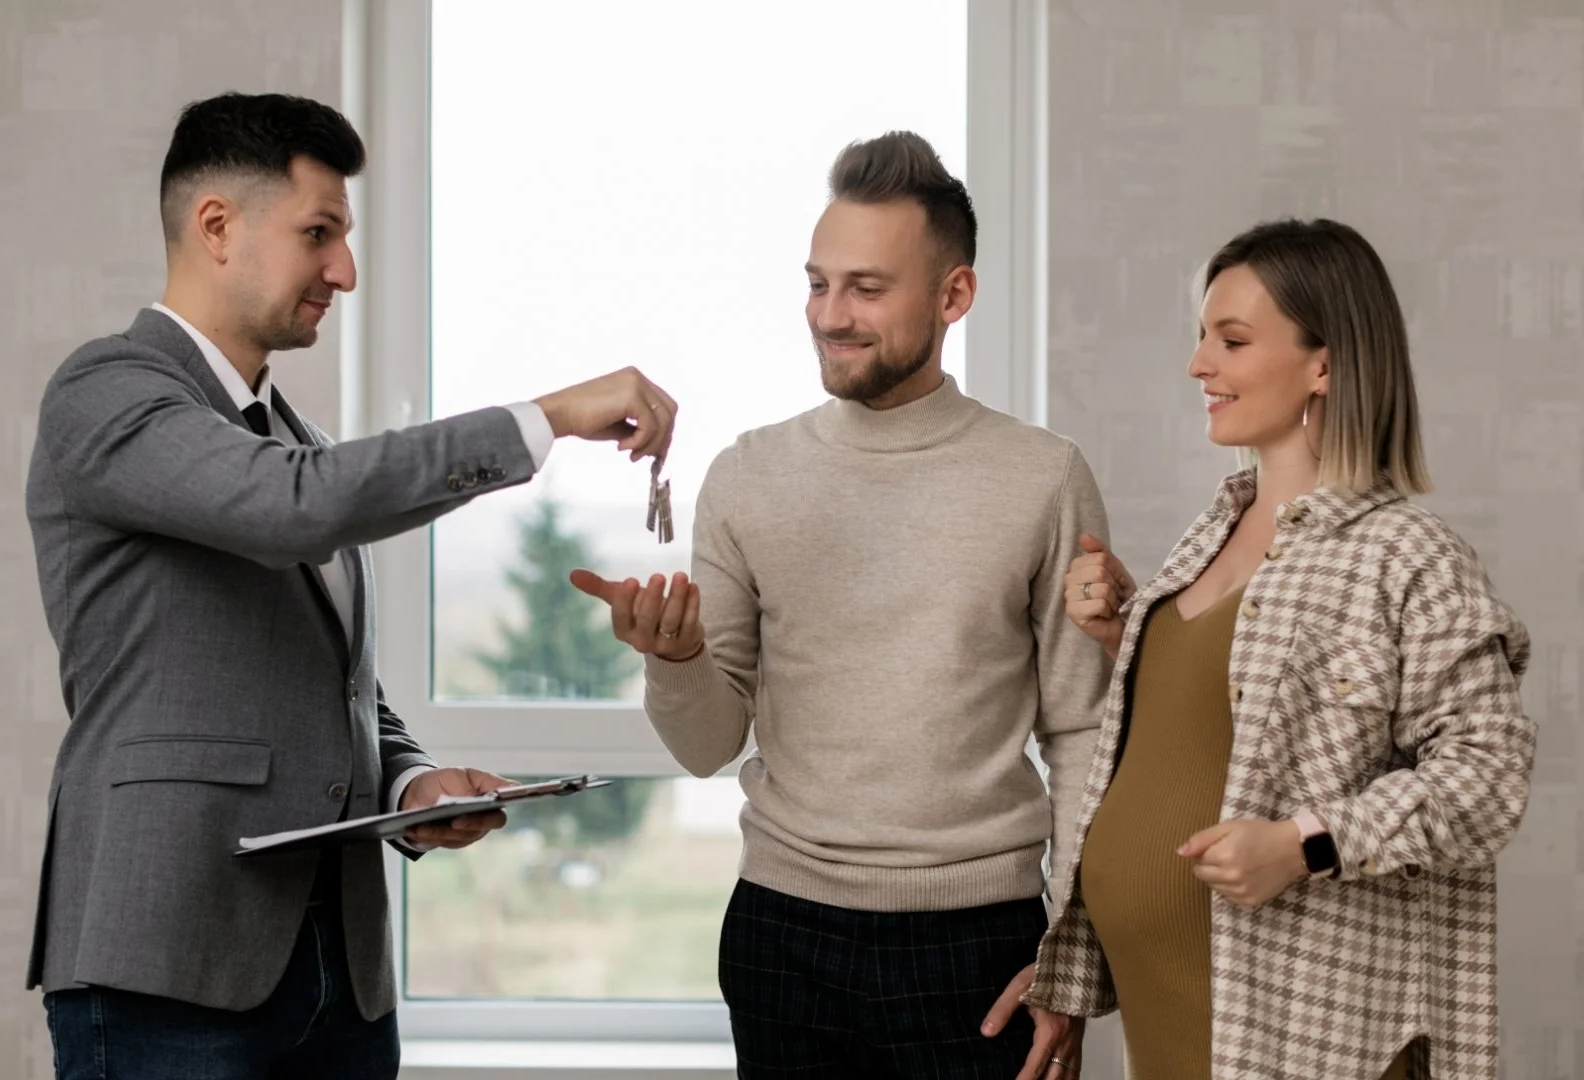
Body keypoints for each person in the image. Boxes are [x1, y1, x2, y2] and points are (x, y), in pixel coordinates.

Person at [24, 91, 678, 1079]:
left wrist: (413, 781)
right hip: (168, 963)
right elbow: (300, 507)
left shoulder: (299, 446)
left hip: (339, 978)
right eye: (318, 234)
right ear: (217, 228)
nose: (346, 271)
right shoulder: (107, 392)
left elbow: (337, 685)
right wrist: (546, 417)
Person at [571, 131, 1133, 1080]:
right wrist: (674, 663)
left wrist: (1073, 959)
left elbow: (1082, 730)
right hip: (780, 932)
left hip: (980, 943)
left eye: (866, 288)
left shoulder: (1043, 476)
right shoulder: (748, 476)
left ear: (954, 295)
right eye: (818, 283)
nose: (830, 315)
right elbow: (709, 743)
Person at [1020, 218, 1535, 1080]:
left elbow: (1490, 778)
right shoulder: (1212, 532)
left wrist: (1306, 844)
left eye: (1232, 340)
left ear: (1324, 363)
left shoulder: (1408, 555)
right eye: (1201, 338)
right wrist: (1129, 634)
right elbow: (1227, 726)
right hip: (1172, 1019)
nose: (1199, 366)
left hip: (1307, 1037)